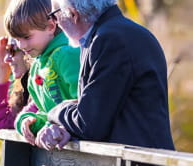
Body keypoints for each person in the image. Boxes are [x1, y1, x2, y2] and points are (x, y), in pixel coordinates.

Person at [36, 0, 175, 152]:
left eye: (55, 16)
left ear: (73, 14)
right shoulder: (115, 33)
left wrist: (57, 110)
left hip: (137, 158)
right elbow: (103, 111)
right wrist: (65, 129)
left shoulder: (109, 39)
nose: (56, 24)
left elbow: (88, 125)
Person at [3, 0, 81, 145]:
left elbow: (85, 108)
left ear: (51, 26)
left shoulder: (68, 55)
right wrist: (28, 122)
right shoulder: (37, 67)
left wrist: (58, 127)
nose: (21, 45)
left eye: (26, 37)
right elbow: (48, 114)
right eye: (17, 39)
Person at [0, 37, 38, 134]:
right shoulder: (23, 88)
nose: (6, 59)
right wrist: (3, 68)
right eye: (7, 51)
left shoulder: (46, 85)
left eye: (12, 50)